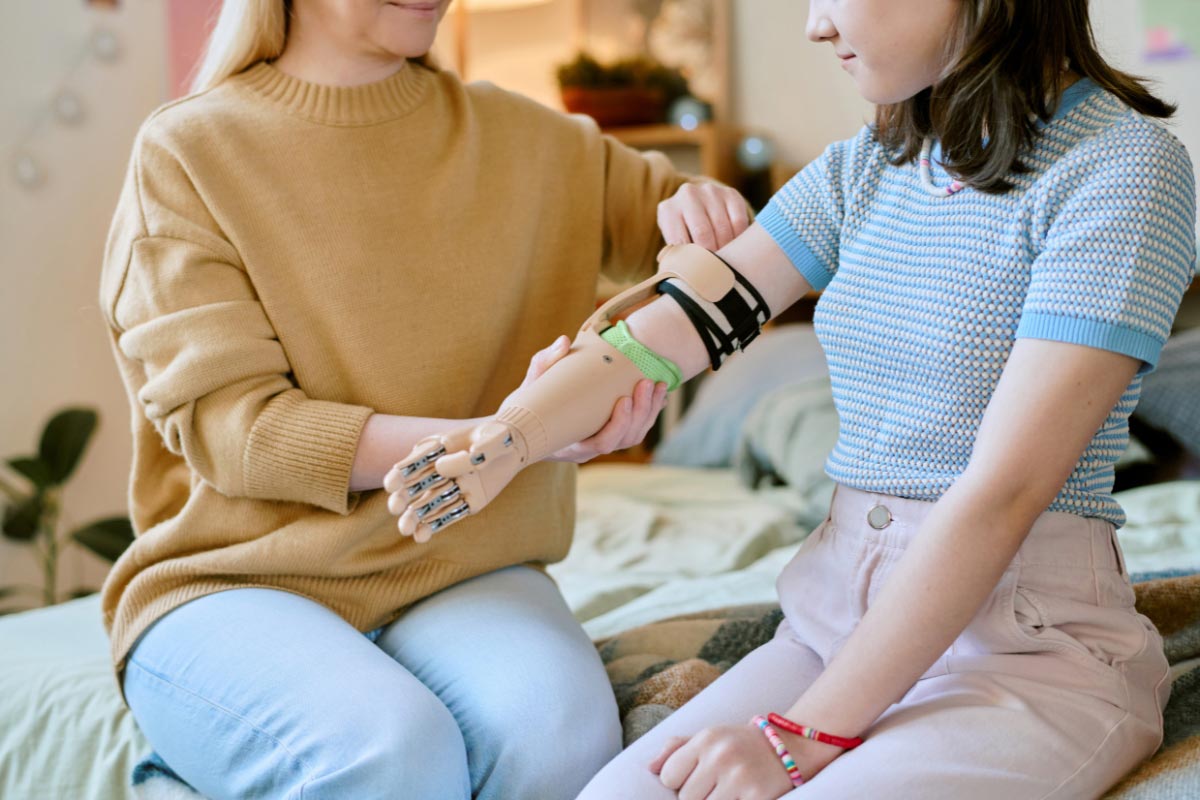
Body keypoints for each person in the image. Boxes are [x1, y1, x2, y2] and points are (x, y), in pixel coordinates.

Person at [386, 0, 1197, 796]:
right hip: (830, 627)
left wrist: (800, 740)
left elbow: (1001, 493)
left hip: (1025, 654)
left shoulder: (1122, 168)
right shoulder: (864, 167)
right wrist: (508, 440)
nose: (815, 24)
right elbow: (665, 337)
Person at [97, 1, 750, 798]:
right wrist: (512, 436)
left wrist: (706, 208)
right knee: (390, 748)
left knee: (563, 738)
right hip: (238, 581)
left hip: (462, 566)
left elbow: (691, 225)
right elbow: (240, 434)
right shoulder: (190, 150)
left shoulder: (532, 141)